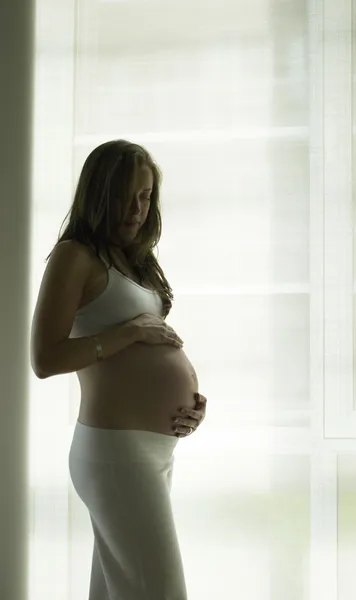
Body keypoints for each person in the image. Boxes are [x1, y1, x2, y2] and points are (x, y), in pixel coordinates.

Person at [29, 139, 207, 599]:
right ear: (98, 193)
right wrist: (130, 334)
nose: (137, 208)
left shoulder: (132, 261)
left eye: (146, 196)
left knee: (116, 591)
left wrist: (190, 403)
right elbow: (45, 359)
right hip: (116, 454)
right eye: (126, 195)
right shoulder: (75, 255)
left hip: (150, 450)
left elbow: (149, 354)